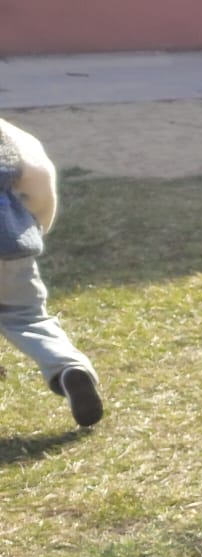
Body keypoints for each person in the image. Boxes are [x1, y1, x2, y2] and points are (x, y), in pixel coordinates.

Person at [1, 117, 101, 427]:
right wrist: (35, 231)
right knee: (27, 317)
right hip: (10, 246)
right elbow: (39, 175)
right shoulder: (8, 135)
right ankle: (68, 367)